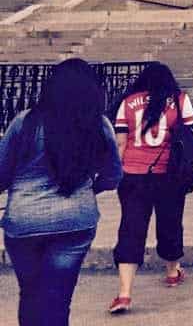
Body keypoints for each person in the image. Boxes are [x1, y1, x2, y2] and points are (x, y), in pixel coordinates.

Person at [0, 58, 123, 326]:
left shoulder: (25, 123)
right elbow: (114, 175)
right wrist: (89, 189)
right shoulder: (98, 126)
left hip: (25, 222)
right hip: (74, 222)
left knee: (30, 294)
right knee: (58, 298)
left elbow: (2, 173)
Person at [109, 62, 193, 315]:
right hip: (168, 175)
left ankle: (124, 293)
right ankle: (172, 271)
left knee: (131, 228)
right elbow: (189, 136)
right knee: (170, 223)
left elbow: (121, 143)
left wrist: (117, 173)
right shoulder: (180, 101)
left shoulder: (129, 101)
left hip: (134, 174)